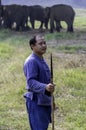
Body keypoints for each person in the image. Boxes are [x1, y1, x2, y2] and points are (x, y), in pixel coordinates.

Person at [23, 34, 55, 130]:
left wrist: (51, 100)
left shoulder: (41, 59)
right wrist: (45, 87)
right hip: (36, 102)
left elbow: (46, 81)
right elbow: (31, 82)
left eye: (44, 43)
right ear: (33, 46)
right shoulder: (31, 61)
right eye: (40, 43)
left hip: (44, 101)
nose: (44, 45)